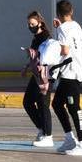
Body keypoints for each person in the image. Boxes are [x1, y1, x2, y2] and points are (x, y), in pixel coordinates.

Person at [51, 0, 82, 156]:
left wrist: (52, 64)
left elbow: (65, 49)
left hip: (70, 73)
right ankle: (69, 139)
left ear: (58, 14)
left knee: (74, 109)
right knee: (57, 104)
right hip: (75, 71)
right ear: (71, 11)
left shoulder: (62, 29)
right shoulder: (76, 26)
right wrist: (58, 29)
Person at [21, 11, 54, 147]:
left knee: (43, 104)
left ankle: (48, 135)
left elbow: (46, 55)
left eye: (33, 24)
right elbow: (34, 55)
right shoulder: (36, 37)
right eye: (29, 24)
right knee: (28, 102)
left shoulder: (46, 37)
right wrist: (26, 67)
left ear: (40, 23)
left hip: (44, 75)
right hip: (36, 74)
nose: (30, 26)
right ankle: (42, 129)